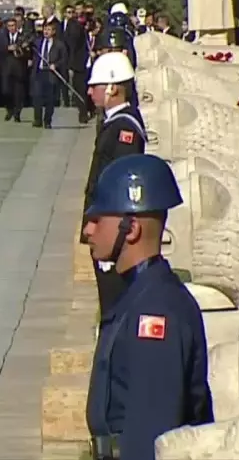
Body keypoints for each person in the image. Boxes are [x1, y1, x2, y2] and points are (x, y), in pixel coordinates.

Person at [82, 153, 213, 460]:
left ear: (131, 228)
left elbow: (150, 433)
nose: (88, 230)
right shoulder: (140, 294)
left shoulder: (156, 312)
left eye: (98, 220)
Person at [83, 51, 147, 314]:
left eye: (94, 86)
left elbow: (120, 187)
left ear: (112, 88)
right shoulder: (115, 124)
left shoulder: (125, 129)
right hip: (105, 226)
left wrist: (111, 236)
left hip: (112, 230)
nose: (89, 92)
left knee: (114, 306)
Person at [31, 18, 68, 128]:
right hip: (39, 72)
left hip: (51, 73)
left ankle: (47, 120)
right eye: (45, 29)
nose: (46, 32)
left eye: (49, 29)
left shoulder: (59, 44)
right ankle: (37, 120)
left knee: (50, 99)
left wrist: (55, 65)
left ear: (54, 31)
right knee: (37, 97)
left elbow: (64, 59)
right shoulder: (38, 42)